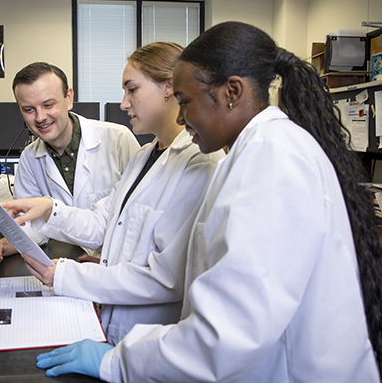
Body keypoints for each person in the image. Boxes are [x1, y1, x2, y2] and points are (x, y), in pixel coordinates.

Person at [31, 22, 382, 382]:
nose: (181, 117)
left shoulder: (271, 158)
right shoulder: (257, 152)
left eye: (185, 102)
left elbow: (227, 335)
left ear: (232, 91)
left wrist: (117, 363)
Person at [1, 41, 224, 345]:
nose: (123, 103)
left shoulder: (199, 162)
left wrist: (64, 276)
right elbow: (103, 224)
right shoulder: (145, 156)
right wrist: (50, 209)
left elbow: (166, 279)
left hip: (149, 338)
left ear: (169, 88)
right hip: (112, 319)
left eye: (132, 89)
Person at [0, 62, 140, 267]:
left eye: (48, 105)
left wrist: (111, 262)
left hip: (118, 267)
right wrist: (1, 246)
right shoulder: (29, 157)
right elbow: (33, 226)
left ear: (68, 98)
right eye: (29, 109)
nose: (40, 117)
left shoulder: (118, 140)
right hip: (68, 264)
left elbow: (138, 218)